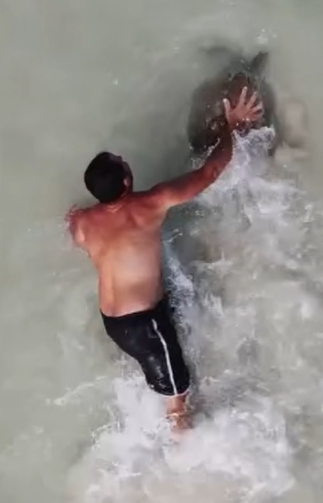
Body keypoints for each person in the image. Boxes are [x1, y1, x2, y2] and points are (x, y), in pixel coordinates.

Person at [66, 87, 263, 433]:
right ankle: (181, 439)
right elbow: (210, 173)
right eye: (121, 161)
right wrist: (230, 128)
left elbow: (76, 232)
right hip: (143, 324)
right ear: (126, 180)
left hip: (115, 320)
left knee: (159, 356)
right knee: (178, 392)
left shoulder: (82, 222)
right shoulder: (149, 204)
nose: (123, 158)